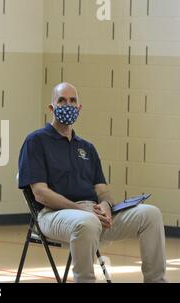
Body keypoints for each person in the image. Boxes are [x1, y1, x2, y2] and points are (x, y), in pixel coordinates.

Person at [18, 82, 167, 283]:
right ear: (51, 107)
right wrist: (81, 210)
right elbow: (40, 193)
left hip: (93, 213)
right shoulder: (35, 141)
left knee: (151, 214)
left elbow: (102, 190)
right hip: (53, 215)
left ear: (79, 108)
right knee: (86, 222)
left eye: (73, 101)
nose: (68, 105)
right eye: (62, 100)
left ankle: (156, 280)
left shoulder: (87, 148)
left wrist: (105, 206)